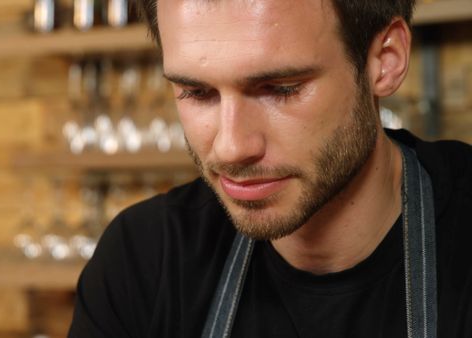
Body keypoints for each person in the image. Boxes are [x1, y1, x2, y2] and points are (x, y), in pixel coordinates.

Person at [68, 0, 472, 337]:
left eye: (281, 89)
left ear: (385, 60)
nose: (231, 148)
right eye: (197, 92)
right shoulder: (145, 259)